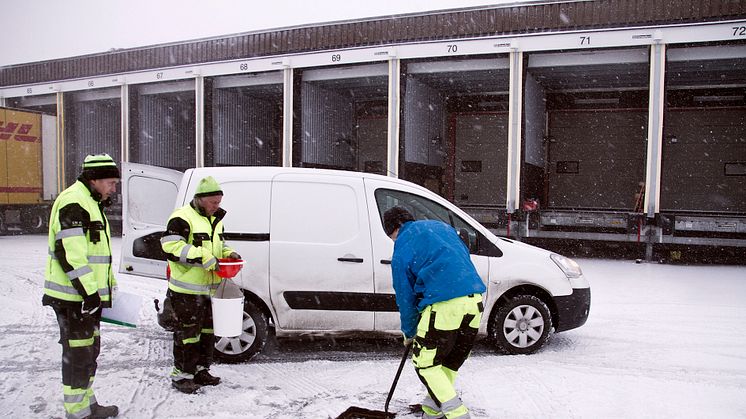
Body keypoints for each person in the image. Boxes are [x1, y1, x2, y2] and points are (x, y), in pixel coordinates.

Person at [383, 206, 486, 419]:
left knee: (426, 364)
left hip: (445, 307)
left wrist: (410, 333)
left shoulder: (402, 248)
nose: (393, 240)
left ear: (394, 229)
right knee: (449, 361)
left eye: (391, 236)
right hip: (474, 302)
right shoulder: (443, 228)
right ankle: (432, 410)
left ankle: (458, 414)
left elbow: (405, 297)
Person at [43, 153, 121, 419]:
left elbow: (96, 254)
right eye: (111, 182)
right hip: (73, 298)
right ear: (94, 179)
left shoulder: (90, 201)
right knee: (78, 355)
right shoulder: (74, 202)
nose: (114, 188)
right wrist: (89, 292)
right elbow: (70, 253)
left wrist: (105, 291)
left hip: (85, 298)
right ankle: (78, 412)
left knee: (88, 352)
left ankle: (88, 404)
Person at [160, 176, 240, 394]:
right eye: (214, 202)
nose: (217, 206)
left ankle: (200, 370)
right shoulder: (181, 218)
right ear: (201, 199)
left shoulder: (216, 219)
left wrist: (228, 253)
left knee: (206, 333)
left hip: (209, 290)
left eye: (219, 202)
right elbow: (171, 247)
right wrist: (201, 255)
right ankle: (182, 376)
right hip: (186, 291)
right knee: (187, 335)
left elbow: (218, 246)